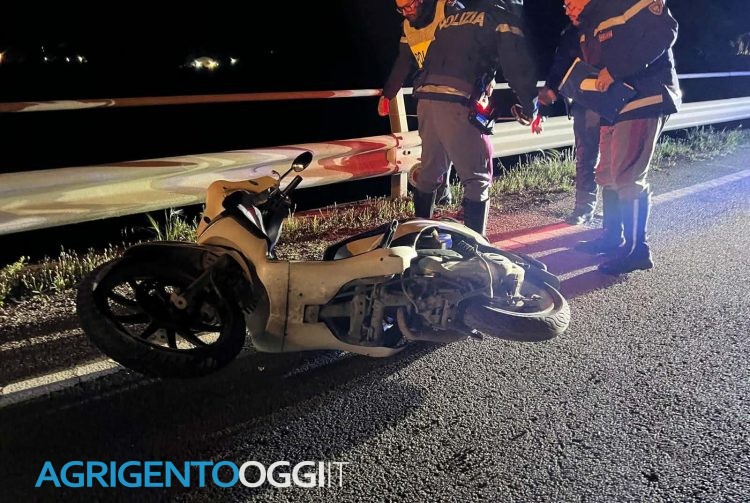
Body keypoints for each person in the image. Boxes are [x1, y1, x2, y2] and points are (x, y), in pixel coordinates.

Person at [400, 0, 538, 234]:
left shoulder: (452, 19)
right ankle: (475, 245)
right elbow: (517, 67)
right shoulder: (501, 18)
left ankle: (418, 234)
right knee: (477, 179)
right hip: (457, 102)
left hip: (426, 99)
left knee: (430, 172)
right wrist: (530, 107)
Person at [567, 0, 681, 274]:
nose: (566, 4)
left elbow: (665, 31)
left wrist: (615, 69)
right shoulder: (591, 23)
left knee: (628, 176)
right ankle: (611, 237)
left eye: (570, 0)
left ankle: (637, 250)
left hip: (644, 97)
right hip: (613, 105)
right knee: (607, 173)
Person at [378, 0, 464, 206]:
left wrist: (485, 81)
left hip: (460, 93)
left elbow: (478, 41)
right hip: (429, 96)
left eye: (409, 6)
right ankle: (437, 198)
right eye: (401, 9)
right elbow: (403, 61)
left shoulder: (448, 8)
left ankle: (470, 204)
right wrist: (388, 94)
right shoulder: (408, 27)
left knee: (461, 148)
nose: (406, 12)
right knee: (432, 150)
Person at [537, 20, 601, 226]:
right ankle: (584, 208)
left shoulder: (609, 19)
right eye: (565, 5)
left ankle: (614, 214)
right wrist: (543, 108)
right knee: (586, 157)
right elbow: (560, 67)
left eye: (571, 5)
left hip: (616, 99)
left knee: (614, 160)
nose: (567, 9)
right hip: (585, 102)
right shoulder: (571, 33)